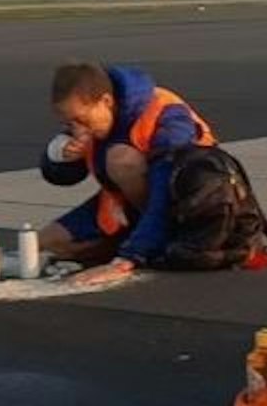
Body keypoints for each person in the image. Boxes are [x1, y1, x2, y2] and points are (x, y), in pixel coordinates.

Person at [38, 61, 219, 284]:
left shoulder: (167, 114)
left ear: (106, 101)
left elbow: (165, 189)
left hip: (189, 204)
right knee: (48, 242)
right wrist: (59, 155)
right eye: (69, 123)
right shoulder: (94, 116)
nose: (78, 130)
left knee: (121, 159)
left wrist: (130, 258)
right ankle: (131, 239)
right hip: (125, 204)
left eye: (80, 120)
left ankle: (154, 242)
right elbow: (62, 177)